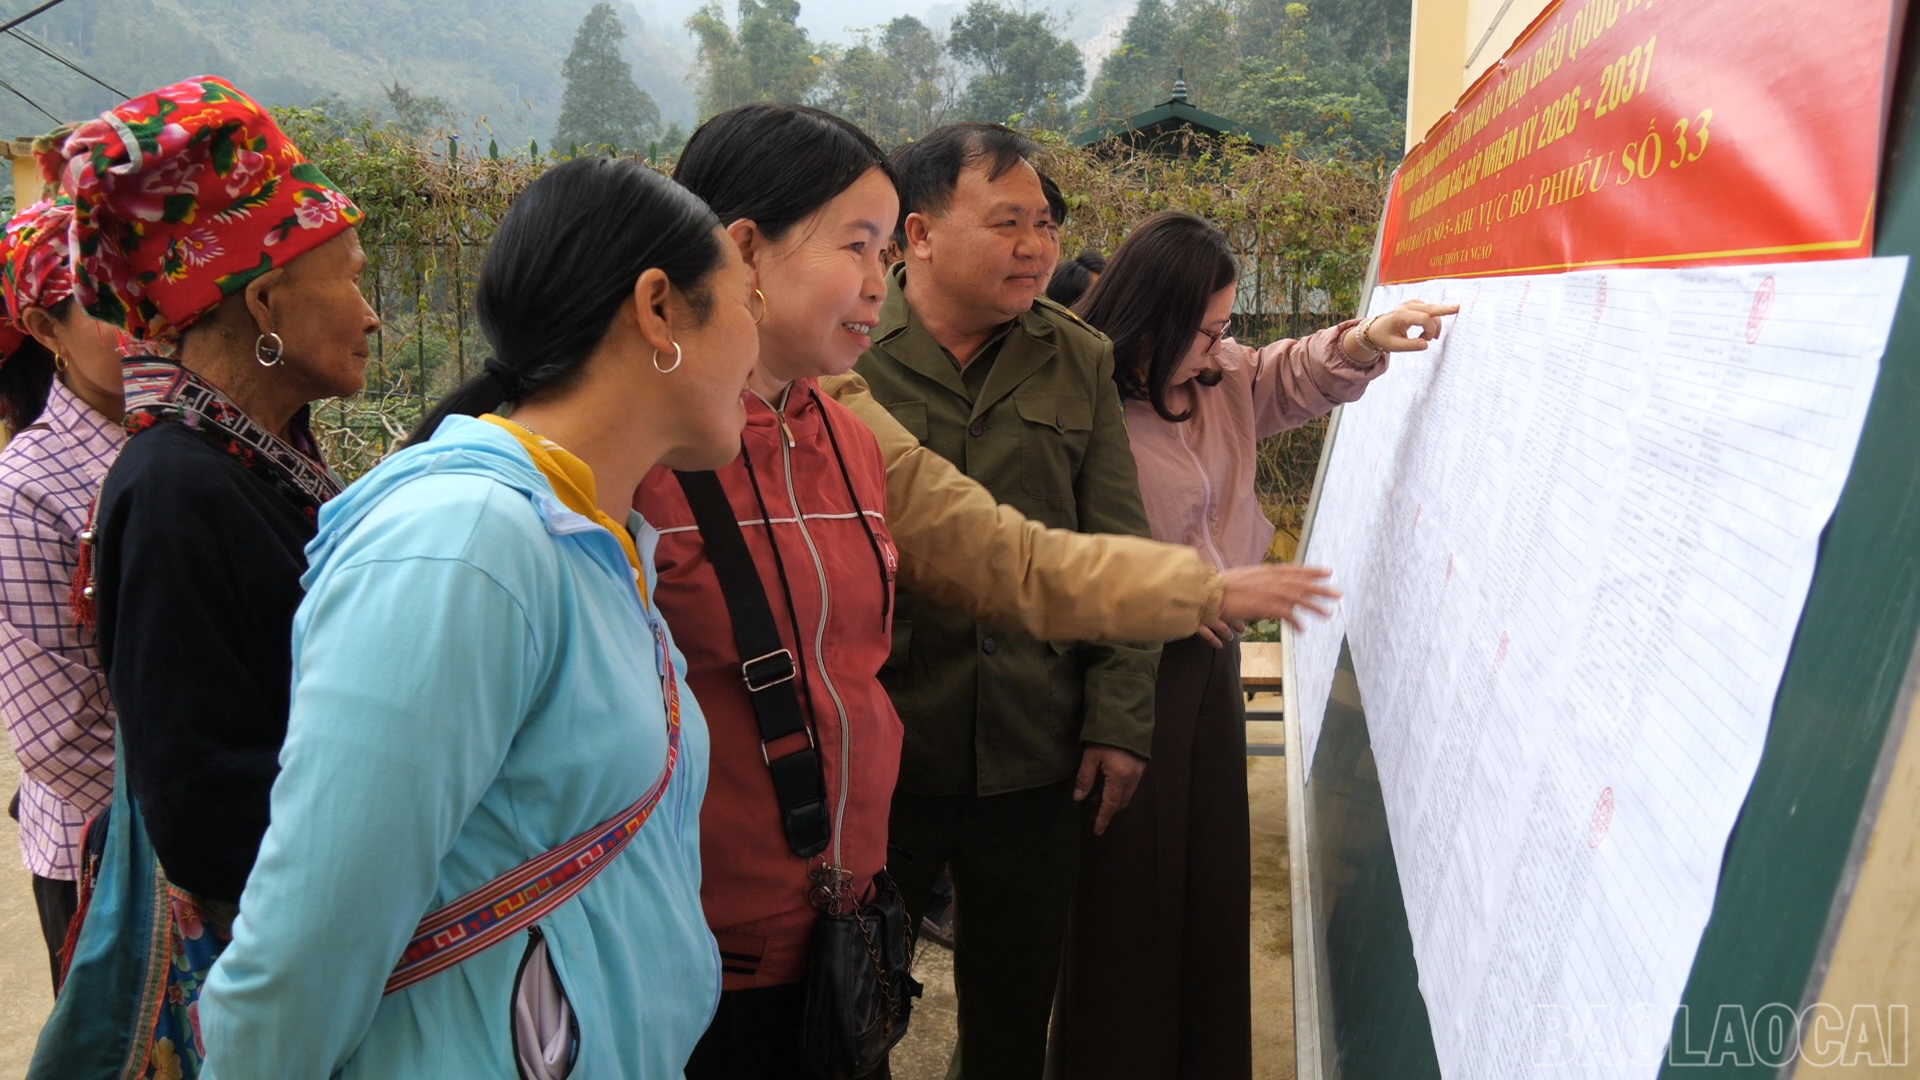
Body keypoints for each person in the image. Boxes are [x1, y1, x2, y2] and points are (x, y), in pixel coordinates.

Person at [653, 102, 1342, 1079]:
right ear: (744, 249)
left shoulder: (840, 415)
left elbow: (999, 551)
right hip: (716, 870)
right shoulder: (607, 460)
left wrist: (1181, 606)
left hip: (956, 773)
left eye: (878, 249)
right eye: (858, 245)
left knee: (960, 1013)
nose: (874, 279)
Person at [198, 155, 762, 1077]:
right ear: (658, 309)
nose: (756, 344)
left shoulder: (592, 537)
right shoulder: (462, 546)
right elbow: (310, 938)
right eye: (748, 302)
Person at [1052, 211, 1455, 1079]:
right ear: (1150, 319)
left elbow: (1285, 371)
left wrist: (1364, 339)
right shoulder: (1077, 398)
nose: (1218, 348)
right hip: (1123, 667)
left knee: (1207, 879)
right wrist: (1168, 601)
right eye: (1204, 331)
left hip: (1207, 662)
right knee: (1128, 896)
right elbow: (1050, 556)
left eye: (1224, 328)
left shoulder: (1217, 380)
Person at [28, 76, 376, 1080]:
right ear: (264, 302)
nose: (371, 316)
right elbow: (205, 813)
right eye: (352, 280)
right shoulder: (174, 490)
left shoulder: (262, 455)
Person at [851, 122, 1159, 1079]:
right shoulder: (845, 351)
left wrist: (1120, 719)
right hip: (886, 744)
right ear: (919, 234)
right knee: (850, 998)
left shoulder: (1079, 358)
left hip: (1035, 746)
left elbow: (1117, 545)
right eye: (1007, 223)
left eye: (1046, 225)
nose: (1036, 247)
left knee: (1013, 1009)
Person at [0, 194, 125, 992]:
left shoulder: (198, 432)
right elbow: (59, 737)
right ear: (47, 330)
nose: (143, 317)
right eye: (106, 302)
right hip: (108, 855)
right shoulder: (29, 491)